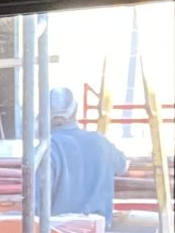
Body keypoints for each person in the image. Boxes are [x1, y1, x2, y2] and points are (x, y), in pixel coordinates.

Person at [43, 86, 131, 224]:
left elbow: (36, 208)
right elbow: (123, 165)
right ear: (75, 110)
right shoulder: (101, 143)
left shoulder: (45, 149)